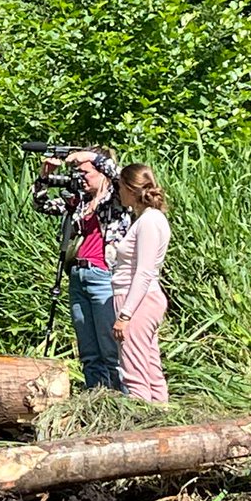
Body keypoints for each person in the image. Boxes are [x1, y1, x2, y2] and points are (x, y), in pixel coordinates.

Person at [33, 148, 131, 391]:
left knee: (110, 347)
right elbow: (41, 204)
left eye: (86, 173)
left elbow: (117, 174)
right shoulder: (81, 201)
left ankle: (120, 397)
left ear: (102, 173)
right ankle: (95, 398)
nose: (81, 178)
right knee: (88, 348)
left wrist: (89, 156)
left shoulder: (118, 196)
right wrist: (44, 177)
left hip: (104, 275)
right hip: (79, 274)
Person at [111, 163, 171, 403]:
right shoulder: (147, 219)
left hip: (136, 300)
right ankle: (161, 417)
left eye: (119, 187)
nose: (118, 193)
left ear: (129, 188)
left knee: (134, 372)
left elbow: (144, 272)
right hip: (141, 299)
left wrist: (125, 315)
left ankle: (141, 425)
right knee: (149, 365)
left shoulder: (148, 221)